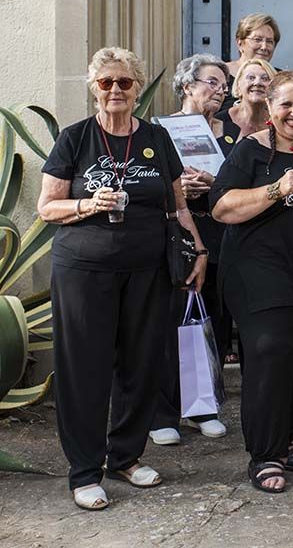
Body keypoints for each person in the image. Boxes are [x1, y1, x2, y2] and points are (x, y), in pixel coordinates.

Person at [38, 47, 208, 510]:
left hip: (148, 269)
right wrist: (87, 205)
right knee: (84, 369)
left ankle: (127, 457)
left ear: (137, 89)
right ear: (94, 88)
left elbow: (177, 206)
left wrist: (199, 249)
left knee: (141, 364)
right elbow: (47, 207)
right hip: (84, 272)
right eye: (106, 83)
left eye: (124, 82)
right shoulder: (75, 139)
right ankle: (85, 470)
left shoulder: (156, 138)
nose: (115, 90)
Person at [210, 71, 293, 494]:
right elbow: (220, 207)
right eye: (286, 104)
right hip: (258, 270)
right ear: (269, 108)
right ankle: (263, 455)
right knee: (270, 352)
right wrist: (276, 189)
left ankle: (285, 442)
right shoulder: (250, 151)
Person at [149, 54, 237, 447]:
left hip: (221, 238)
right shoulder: (159, 130)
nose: (221, 91)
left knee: (211, 322)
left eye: (223, 85)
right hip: (177, 238)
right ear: (188, 86)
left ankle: (204, 407)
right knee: (169, 323)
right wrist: (179, 189)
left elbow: (243, 183)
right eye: (212, 83)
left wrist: (214, 184)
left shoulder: (233, 132)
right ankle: (163, 411)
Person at [222, 13, 280, 108]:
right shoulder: (220, 74)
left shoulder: (280, 78)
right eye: (257, 40)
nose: (264, 47)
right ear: (240, 43)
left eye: (269, 41)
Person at [216, 58, 275, 137]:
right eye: (251, 78)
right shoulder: (220, 121)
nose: (257, 83)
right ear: (238, 85)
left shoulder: (278, 122)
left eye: (265, 79)